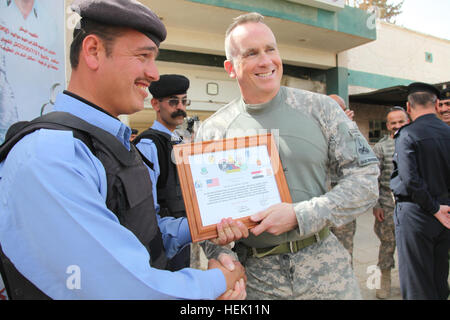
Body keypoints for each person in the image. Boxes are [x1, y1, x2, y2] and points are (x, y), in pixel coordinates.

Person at [0, 0, 247, 300]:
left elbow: (143, 233)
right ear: (93, 51)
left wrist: (202, 225)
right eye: (143, 56)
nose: (154, 73)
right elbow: (125, 288)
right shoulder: (50, 155)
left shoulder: (107, 143)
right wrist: (219, 281)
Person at [195, 12, 380, 300]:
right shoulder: (213, 131)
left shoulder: (322, 110)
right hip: (256, 281)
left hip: (327, 273)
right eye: (252, 53)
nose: (266, 60)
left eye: (271, 49)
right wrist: (219, 252)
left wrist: (299, 215)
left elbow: (367, 180)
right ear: (231, 68)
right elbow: (203, 218)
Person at [390, 82, 450, 300]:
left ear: (408, 106)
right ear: (436, 104)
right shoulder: (447, 131)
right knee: (439, 277)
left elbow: (410, 180)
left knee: (417, 281)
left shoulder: (407, 134)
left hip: (418, 215)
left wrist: (433, 208)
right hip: (445, 215)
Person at [133, 74, 194, 271]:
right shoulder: (148, 144)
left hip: (182, 239)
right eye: (173, 102)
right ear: (155, 104)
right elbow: (145, 209)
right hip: (160, 245)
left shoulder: (178, 142)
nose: (181, 108)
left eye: (184, 101)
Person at [372, 106, 409, 299]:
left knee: (411, 248)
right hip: (387, 204)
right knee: (387, 245)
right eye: (393, 122)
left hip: (412, 206)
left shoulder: (415, 143)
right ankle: (383, 282)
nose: (397, 126)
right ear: (387, 125)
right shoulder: (380, 147)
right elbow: (374, 179)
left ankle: (410, 283)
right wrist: (376, 205)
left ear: (408, 121)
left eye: (400, 121)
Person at [327, 94, 357, 263]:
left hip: (343, 204)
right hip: (319, 203)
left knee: (344, 252)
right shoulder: (318, 129)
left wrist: (345, 128)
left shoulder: (352, 132)